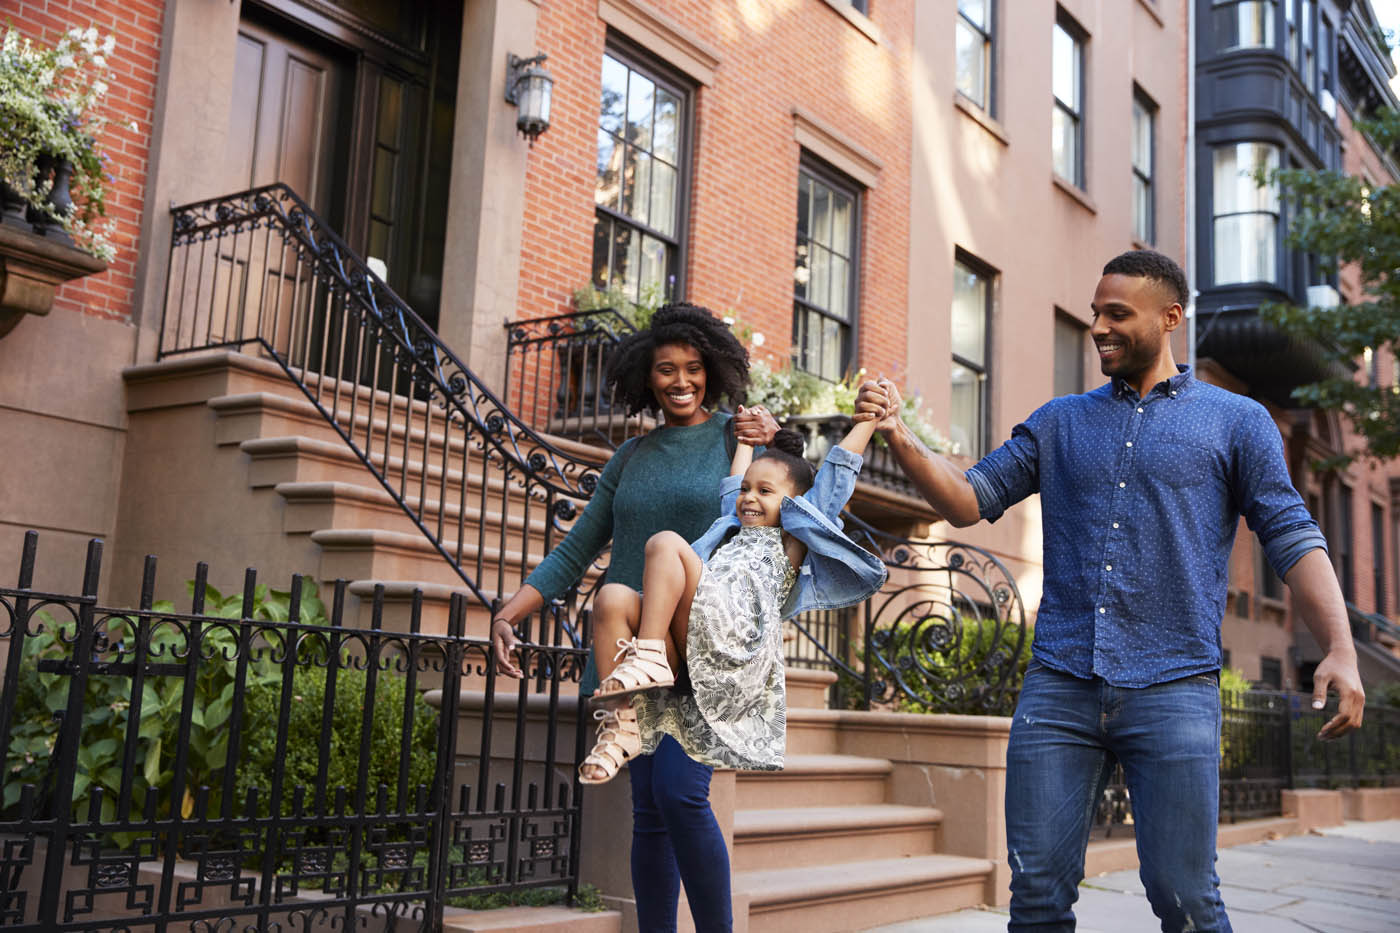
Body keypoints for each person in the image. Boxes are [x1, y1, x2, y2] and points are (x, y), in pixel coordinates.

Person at [852, 249, 1365, 933]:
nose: (1098, 325)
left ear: (1170, 318)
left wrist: (1340, 645)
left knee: (1184, 894)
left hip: (1176, 684)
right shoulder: (1060, 421)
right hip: (1060, 683)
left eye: (1116, 313)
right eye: (1096, 312)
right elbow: (970, 499)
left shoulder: (1237, 422)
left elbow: (1291, 531)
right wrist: (900, 436)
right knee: (1035, 895)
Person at [489, 302, 778, 933]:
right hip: (634, 657)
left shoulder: (737, 436)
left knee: (680, 794)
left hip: (700, 642)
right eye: (667, 370)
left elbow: (783, 489)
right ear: (646, 379)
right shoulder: (629, 458)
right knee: (649, 808)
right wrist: (509, 612)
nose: (681, 381)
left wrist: (774, 435)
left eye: (694, 369)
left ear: (714, 372)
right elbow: (577, 548)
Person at [576, 422, 887, 786]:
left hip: (734, 647)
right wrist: (745, 442)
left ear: (794, 504)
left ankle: (647, 655)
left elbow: (834, 481)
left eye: (764, 491)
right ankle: (622, 724)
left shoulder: (792, 539)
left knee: (664, 543)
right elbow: (732, 484)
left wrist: (867, 422)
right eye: (746, 490)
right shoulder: (728, 528)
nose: (749, 497)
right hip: (696, 641)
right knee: (611, 598)